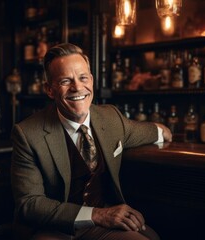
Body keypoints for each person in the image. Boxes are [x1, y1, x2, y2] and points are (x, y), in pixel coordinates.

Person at [11, 43, 172, 240]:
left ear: (92, 81)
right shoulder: (27, 133)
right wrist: (99, 215)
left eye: (83, 78)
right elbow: (29, 204)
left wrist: (162, 131)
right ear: (50, 90)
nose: (77, 87)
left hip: (102, 228)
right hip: (54, 228)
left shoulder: (111, 118)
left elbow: (147, 131)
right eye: (65, 81)